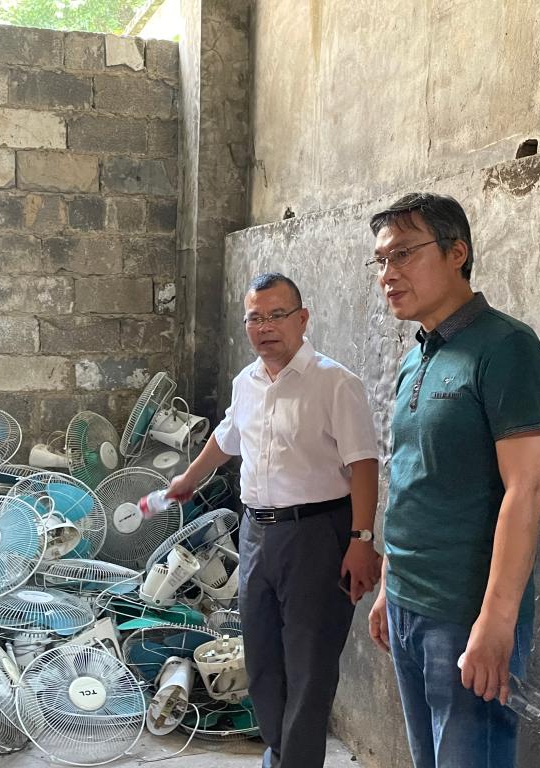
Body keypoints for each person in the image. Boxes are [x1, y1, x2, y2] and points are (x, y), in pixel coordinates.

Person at [365, 193, 540, 768]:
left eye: (403, 254)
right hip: (407, 604)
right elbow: (411, 477)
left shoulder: (507, 347)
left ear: (457, 253)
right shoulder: (415, 357)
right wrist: (388, 586)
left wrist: (497, 621)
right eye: (380, 260)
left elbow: (527, 489)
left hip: (465, 611)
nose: (388, 274)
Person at [166, 272, 380, 768]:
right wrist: (189, 479)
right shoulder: (247, 382)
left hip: (317, 534)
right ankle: (279, 754)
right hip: (256, 533)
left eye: (277, 315)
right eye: (255, 318)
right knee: (262, 658)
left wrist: (361, 539)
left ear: (302, 319)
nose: (265, 327)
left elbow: (364, 464)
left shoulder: (335, 383)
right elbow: (227, 436)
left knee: (309, 664)